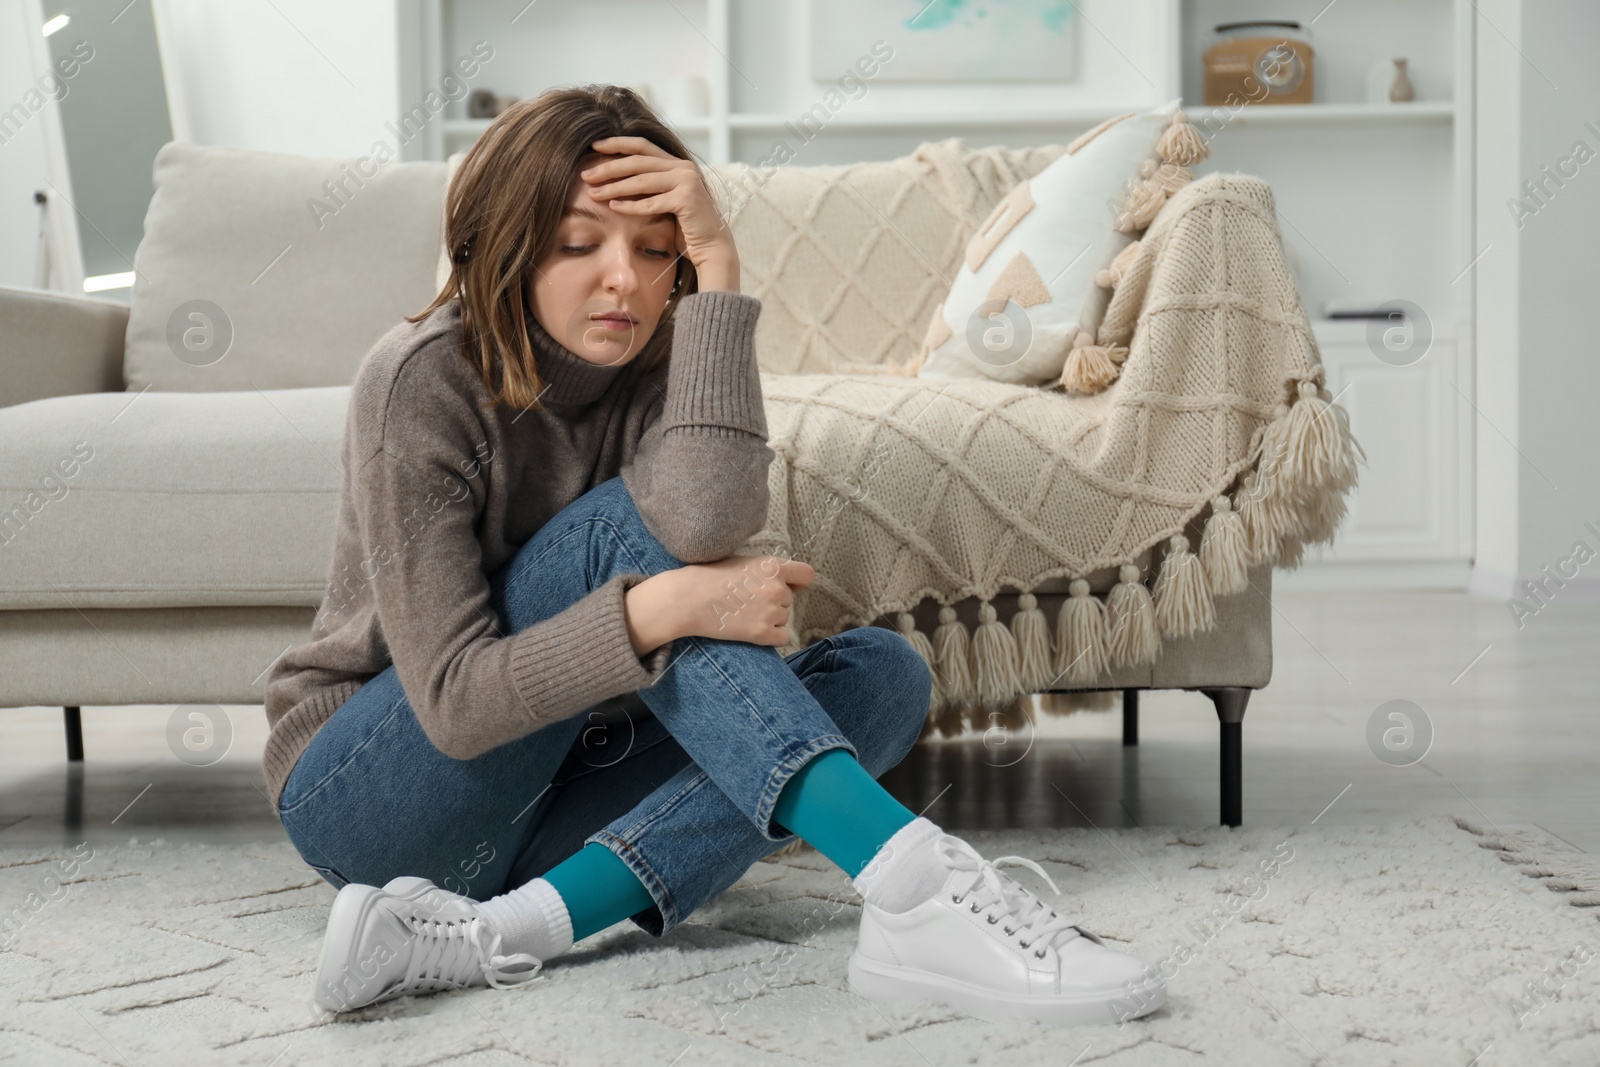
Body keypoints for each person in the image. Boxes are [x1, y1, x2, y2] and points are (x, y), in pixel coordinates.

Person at [261, 84, 1164, 1029]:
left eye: (657, 252)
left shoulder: (665, 367)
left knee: (881, 677)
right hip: (372, 792)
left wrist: (721, 273)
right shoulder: (421, 377)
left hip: (552, 795)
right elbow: (454, 702)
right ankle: (913, 884)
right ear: (504, 246)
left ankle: (504, 932)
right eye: (579, 245)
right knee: (615, 534)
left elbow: (702, 520)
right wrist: (666, 610)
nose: (624, 281)